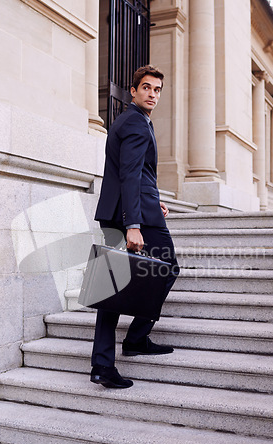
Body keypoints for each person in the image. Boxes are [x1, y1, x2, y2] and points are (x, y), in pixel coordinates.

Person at [90, 65, 179, 389]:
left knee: (112, 285)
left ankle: (106, 361)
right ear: (133, 90)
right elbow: (129, 174)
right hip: (130, 216)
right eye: (146, 88)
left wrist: (153, 202)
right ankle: (135, 339)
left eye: (157, 89)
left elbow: (136, 174)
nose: (152, 94)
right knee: (167, 268)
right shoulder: (136, 124)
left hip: (127, 209)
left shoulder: (130, 121)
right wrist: (134, 224)